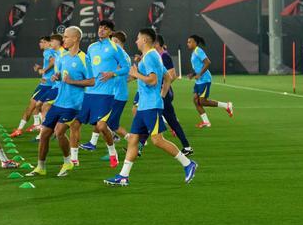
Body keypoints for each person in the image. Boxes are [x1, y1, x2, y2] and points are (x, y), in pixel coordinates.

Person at [104, 28, 198, 187]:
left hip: (150, 107)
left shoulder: (150, 58)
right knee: (133, 139)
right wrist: (161, 95)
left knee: (157, 140)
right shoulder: (151, 56)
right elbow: (167, 77)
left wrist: (137, 74)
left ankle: (188, 164)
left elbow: (153, 80)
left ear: (145, 40)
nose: (136, 41)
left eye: (138, 38)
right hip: (145, 106)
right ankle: (123, 176)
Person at [26, 26, 94, 178]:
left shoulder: (84, 58)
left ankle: (68, 161)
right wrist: (56, 76)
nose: (63, 39)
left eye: (66, 37)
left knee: (59, 132)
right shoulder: (62, 57)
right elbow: (60, 74)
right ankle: (40, 167)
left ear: (75, 38)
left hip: (73, 104)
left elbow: (92, 81)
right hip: (59, 102)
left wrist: (72, 81)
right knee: (44, 134)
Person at [78, 20, 131, 169]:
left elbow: (126, 68)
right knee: (75, 123)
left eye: (105, 28)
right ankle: (72, 159)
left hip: (106, 94)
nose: (101, 30)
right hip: (89, 92)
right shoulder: (92, 47)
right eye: (100, 27)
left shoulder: (115, 48)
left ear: (110, 32)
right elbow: (88, 66)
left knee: (102, 126)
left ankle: (112, 153)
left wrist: (112, 73)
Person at [10, 36, 56, 137]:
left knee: (32, 107)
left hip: (46, 85)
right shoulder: (54, 51)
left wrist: (44, 71)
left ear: (49, 43)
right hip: (49, 84)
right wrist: (42, 68)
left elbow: (53, 61)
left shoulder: (47, 52)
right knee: (38, 106)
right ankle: (37, 125)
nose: (41, 44)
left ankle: (20, 129)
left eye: (43, 42)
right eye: (40, 42)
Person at [155, 35, 193, 156]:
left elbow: (173, 75)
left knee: (170, 121)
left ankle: (187, 146)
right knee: (149, 118)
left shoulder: (164, 56)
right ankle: (187, 146)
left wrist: (162, 88)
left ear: (157, 44)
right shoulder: (156, 56)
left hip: (164, 95)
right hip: (159, 94)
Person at [187, 34, 233, 127]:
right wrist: (193, 74)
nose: (188, 43)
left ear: (195, 43)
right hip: (199, 81)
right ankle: (206, 122)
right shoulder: (193, 52)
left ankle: (226, 105)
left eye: (190, 42)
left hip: (205, 79)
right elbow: (198, 67)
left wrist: (199, 74)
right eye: (187, 42)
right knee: (196, 101)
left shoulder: (198, 51)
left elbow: (207, 62)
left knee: (202, 101)